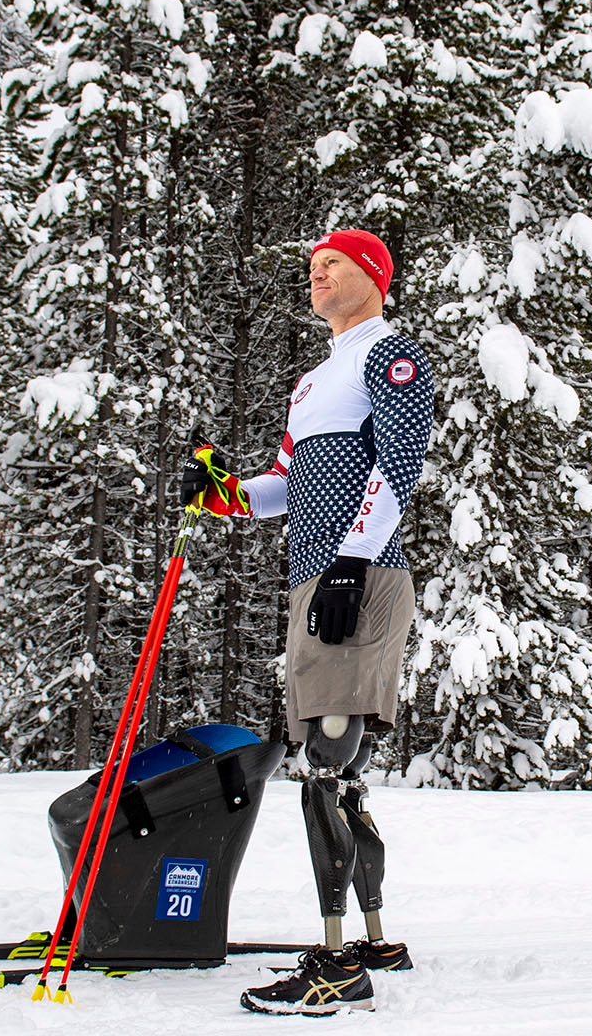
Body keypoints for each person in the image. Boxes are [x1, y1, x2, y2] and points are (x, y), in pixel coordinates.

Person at [178, 229, 435, 1016]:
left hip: (357, 575)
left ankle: (332, 967)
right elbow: (286, 485)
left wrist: (355, 559)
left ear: (373, 276)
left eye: (335, 265)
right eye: (314, 268)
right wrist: (222, 491)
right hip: (315, 576)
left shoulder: (390, 354)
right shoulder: (313, 379)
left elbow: (401, 465)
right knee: (342, 767)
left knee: (324, 757)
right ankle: (373, 939)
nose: (319, 276)